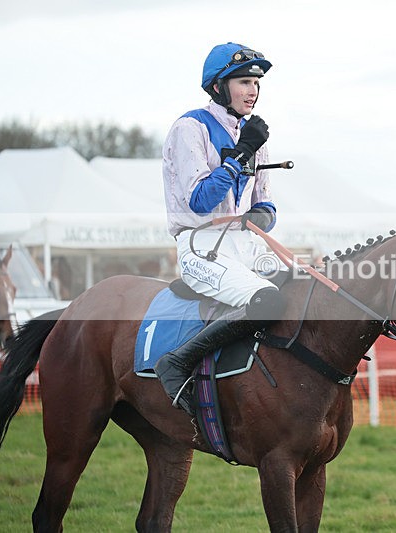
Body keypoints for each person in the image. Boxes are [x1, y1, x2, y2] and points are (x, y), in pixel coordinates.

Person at [156, 42, 287, 414]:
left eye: (257, 83)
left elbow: (266, 207)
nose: (253, 91)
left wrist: (258, 216)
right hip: (199, 244)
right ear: (218, 87)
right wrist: (241, 153)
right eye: (244, 81)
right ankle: (177, 362)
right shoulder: (190, 127)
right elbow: (201, 199)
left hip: (245, 244)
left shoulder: (254, 134)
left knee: (301, 291)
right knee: (268, 300)